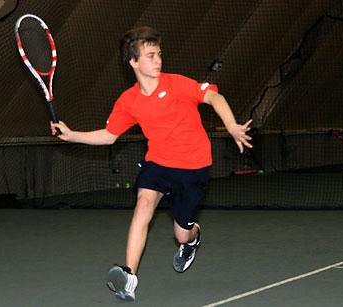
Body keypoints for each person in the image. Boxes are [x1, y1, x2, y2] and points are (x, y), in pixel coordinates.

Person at [51, 26, 252, 301]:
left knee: (181, 234)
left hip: (193, 165)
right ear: (133, 62)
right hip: (157, 162)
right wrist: (72, 134)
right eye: (150, 55)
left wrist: (231, 126)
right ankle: (129, 277)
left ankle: (192, 239)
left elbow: (214, 97)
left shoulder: (177, 84)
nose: (158, 60)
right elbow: (109, 136)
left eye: (159, 54)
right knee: (143, 205)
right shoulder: (129, 101)